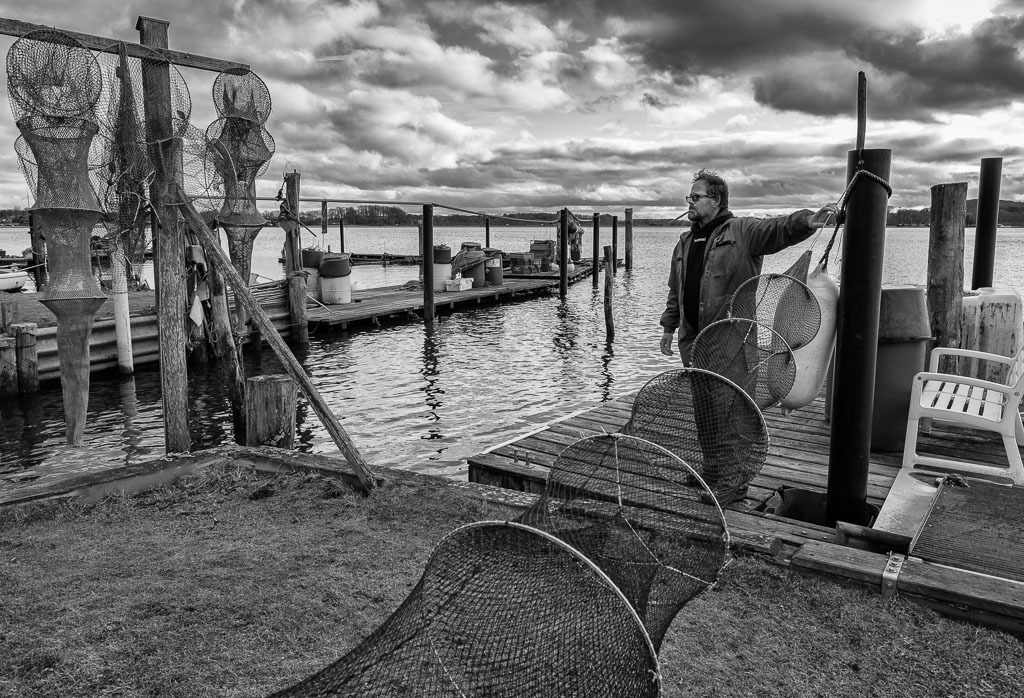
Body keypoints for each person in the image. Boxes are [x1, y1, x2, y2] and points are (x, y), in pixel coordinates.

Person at [659, 169, 838, 363]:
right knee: (699, 394)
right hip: (692, 345)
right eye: (689, 198)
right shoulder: (684, 243)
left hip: (731, 349)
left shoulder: (743, 232)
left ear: (716, 200)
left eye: (696, 197)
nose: (690, 202)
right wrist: (669, 328)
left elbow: (776, 228)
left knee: (731, 394)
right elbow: (676, 292)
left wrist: (806, 221)